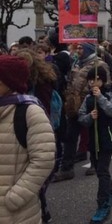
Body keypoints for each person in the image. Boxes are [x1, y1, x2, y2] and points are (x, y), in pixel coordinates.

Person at [0, 55, 56, 223]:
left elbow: (44, 160)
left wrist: (16, 197)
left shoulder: (30, 112)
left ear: (9, 82)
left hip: (16, 213)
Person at [53, 42, 111, 181]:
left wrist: (95, 93)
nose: (78, 50)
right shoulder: (77, 63)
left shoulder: (99, 64)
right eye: (77, 47)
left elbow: (107, 83)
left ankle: (94, 163)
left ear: (89, 50)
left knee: (93, 135)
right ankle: (67, 168)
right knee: (70, 136)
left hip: (91, 103)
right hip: (76, 105)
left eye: (81, 48)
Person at [78, 66, 112, 223]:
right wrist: (90, 116)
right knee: (98, 169)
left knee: (102, 170)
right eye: (90, 80)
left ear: (102, 80)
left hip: (107, 139)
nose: (92, 83)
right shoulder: (88, 98)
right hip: (93, 139)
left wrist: (101, 98)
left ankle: (103, 204)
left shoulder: (111, 94)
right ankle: (110, 191)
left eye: (95, 79)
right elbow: (81, 117)